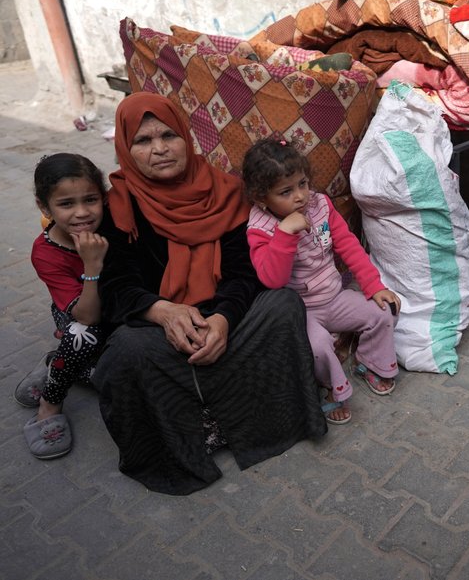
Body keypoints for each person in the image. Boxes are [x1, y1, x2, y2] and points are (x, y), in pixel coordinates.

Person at [93, 92, 327, 495]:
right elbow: (115, 285)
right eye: (143, 141)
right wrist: (163, 312)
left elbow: (244, 272)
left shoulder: (225, 191)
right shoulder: (119, 204)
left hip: (224, 317)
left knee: (282, 304)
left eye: (169, 135)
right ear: (126, 148)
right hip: (160, 327)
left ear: (187, 135)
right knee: (125, 353)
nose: (160, 149)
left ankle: (244, 421)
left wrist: (222, 319)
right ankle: (194, 435)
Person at [242, 137, 400, 425]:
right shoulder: (260, 229)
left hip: (335, 297)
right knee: (317, 348)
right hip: (302, 312)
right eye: (286, 192)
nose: (300, 196)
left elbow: (348, 246)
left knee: (385, 310)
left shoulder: (319, 205)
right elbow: (272, 279)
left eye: (302, 184)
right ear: (261, 198)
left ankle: (369, 362)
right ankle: (331, 389)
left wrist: (374, 286)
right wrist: (285, 234)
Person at [15, 153, 109, 459]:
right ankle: (50, 403)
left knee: (111, 377)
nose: (82, 213)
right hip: (79, 314)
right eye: (66, 204)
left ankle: (57, 363)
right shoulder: (45, 252)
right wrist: (91, 265)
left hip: (118, 310)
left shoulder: (113, 227)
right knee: (82, 335)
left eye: (91, 200)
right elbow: (88, 314)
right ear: (45, 208)